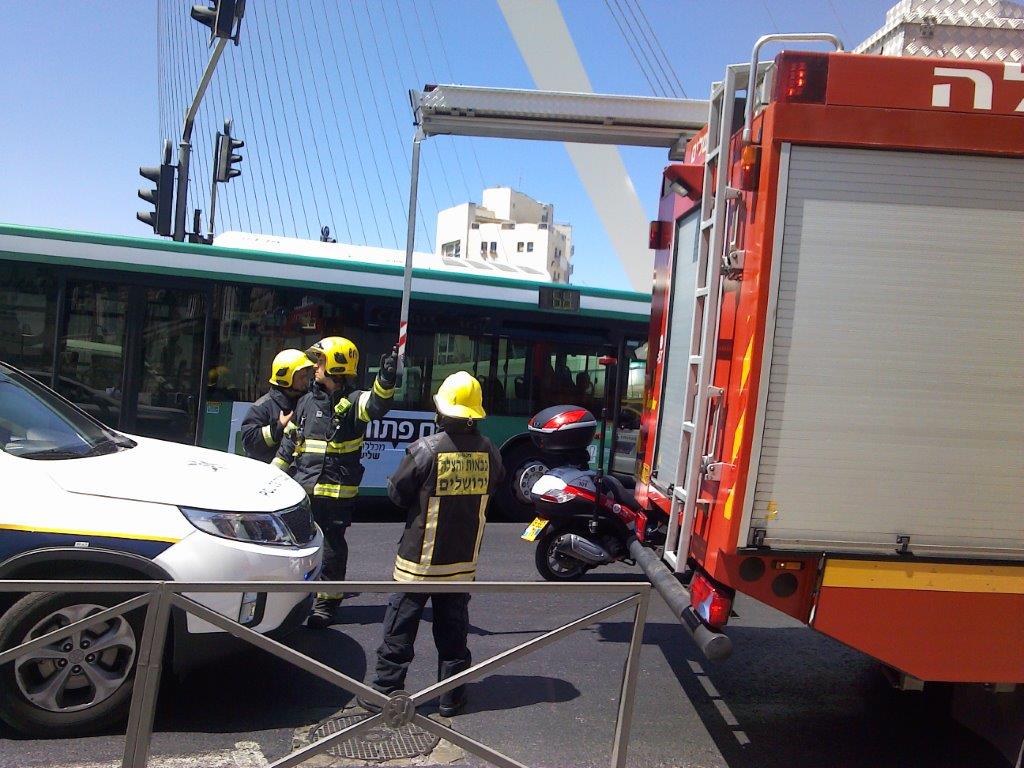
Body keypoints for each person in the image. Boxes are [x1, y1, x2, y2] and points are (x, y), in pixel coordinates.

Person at [362, 371, 504, 717]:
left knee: (400, 626)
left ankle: (385, 690)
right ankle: (451, 697)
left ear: (442, 412)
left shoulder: (426, 449)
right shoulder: (491, 452)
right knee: (453, 631)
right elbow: (495, 487)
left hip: (418, 563)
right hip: (461, 563)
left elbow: (397, 494)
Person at [274, 336, 399, 628]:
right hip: (303, 490)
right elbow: (289, 444)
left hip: (336, 493)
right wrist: (274, 477)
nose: (315, 366)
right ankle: (295, 599)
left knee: (331, 548)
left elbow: (378, 404)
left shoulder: (354, 403)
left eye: (320, 361)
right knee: (297, 547)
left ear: (335, 366)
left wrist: (386, 378)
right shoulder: (306, 401)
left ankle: (326, 605)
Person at [240, 349, 314, 463]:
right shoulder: (262, 407)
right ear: (286, 378)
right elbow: (249, 442)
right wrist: (279, 427)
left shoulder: (307, 402)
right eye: (301, 377)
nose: (306, 381)